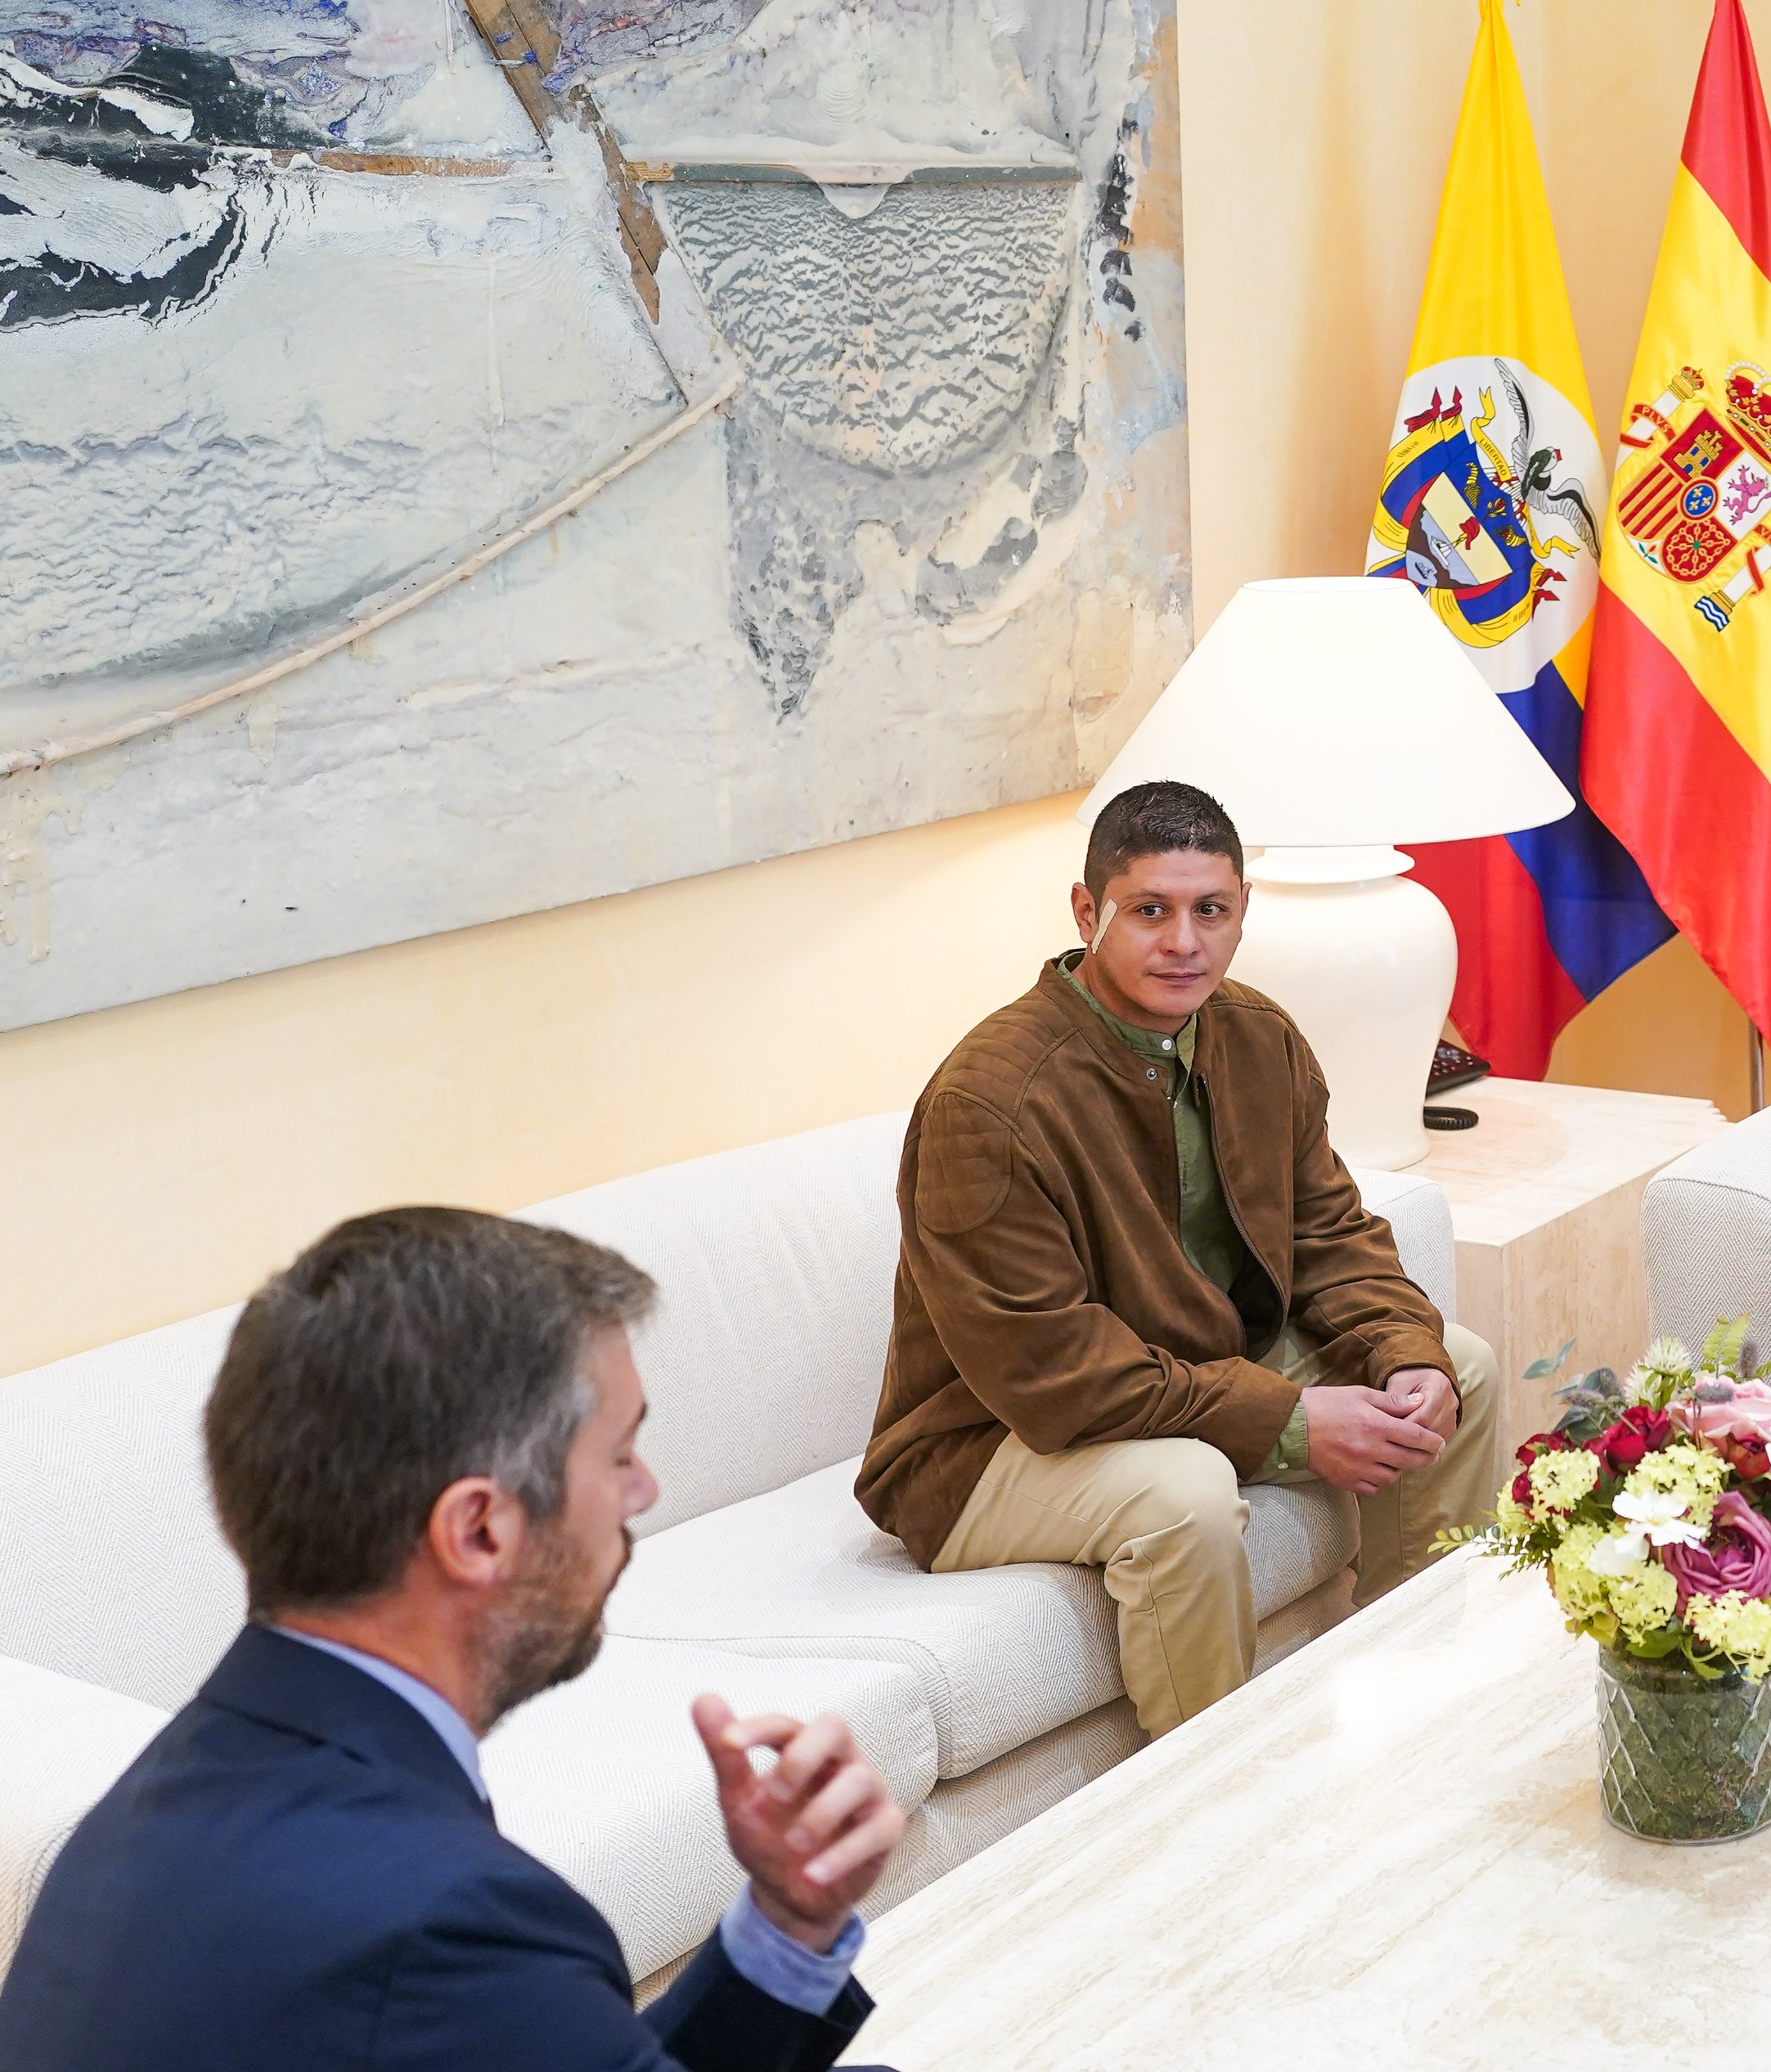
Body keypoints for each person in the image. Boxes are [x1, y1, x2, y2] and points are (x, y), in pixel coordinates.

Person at [0, 1209, 908, 2072]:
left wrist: (788, 1925)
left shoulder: (147, 1817)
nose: (646, 1492)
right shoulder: (446, 1924)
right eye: (619, 1455)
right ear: (478, 1529)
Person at [856, 779, 1497, 1736]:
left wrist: (1404, 1346)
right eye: (1149, 910)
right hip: (991, 1440)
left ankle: (1419, 1715)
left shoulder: (1255, 1036)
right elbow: (1049, 1372)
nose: (1183, 942)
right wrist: (1286, 1420)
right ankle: (1218, 1825)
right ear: (1088, 911)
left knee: (1460, 1368)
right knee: (1184, 1494)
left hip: (1181, 1378)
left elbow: (1329, 1233)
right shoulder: (988, 1103)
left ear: (1243, 914)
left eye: (1211, 910)